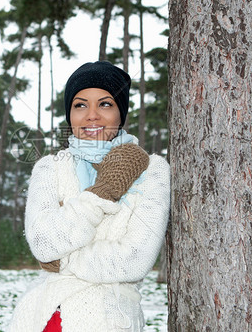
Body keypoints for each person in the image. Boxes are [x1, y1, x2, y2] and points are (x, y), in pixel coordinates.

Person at [9, 61, 170, 332]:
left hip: (110, 320)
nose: (91, 115)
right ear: (69, 114)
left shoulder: (151, 170)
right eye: (80, 105)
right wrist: (101, 194)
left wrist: (66, 259)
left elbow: (135, 260)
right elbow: (43, 245)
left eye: (105, 104)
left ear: (121, 113)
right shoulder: (50, 168)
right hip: (40, 319)